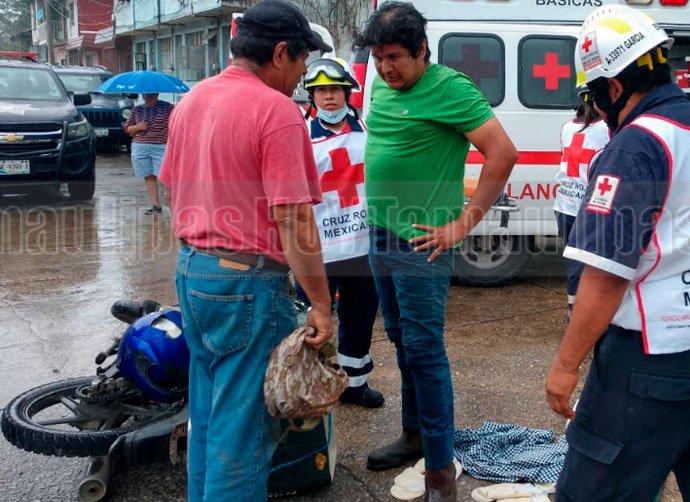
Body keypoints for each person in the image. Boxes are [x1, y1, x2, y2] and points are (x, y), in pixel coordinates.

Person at [545, 5, 690, 501]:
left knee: (593, 492)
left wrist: (565, 366)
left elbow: (605, 277)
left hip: (654, 363)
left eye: (594, 96)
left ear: (613, 87)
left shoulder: (635, 147)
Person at [157, 1, 335, 500]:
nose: (302, 76)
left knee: (210, 418)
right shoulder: (277, 112)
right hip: (247, 286)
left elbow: (172, 188)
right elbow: (294, 220)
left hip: (194, 272)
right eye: (302, 62)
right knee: (245, 437)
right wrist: (321, 305)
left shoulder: (192, 100)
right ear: (280, 53)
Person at [354, 2, 518, 500]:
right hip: (380, 234)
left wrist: (462, 225)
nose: (385, 68)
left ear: (422, 49)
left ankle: (441, 471)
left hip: (421, 244)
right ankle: (414, 436)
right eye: (378, 58)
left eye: (395, 57)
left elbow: (503, 153)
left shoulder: (451, 88)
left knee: (425, 352)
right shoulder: (381, 85)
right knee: (401, 342)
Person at [299, 57, 385, 408]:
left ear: (347, 93)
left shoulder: (368, 130)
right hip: (319, 249)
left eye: (335, 89)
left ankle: (355, 385)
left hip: (362, 246)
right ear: (312, 96)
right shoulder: (301, 136)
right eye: (321, 91)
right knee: (310, 322)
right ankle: (305, 387)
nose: (329, 97)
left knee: (360, 319)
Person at [554, 86, 609, 316]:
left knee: (574, 261)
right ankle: (587, 314)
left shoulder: (567, 127)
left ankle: (573, 309)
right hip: (588, 208)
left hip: (563, 205)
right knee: (597, 262)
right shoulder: (607, 129)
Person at [124, 92, 173, 215]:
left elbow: (176, 122)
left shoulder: (168, 107)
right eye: (146, 94)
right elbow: (127, 128)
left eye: (152, 94)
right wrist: (138, 127)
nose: (149, 96)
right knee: (148, 175)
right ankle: (156, 205)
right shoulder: (137, 110)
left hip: (161, 146)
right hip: (140, 146)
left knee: (165, 176)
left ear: (157, 94)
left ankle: (173, 205)